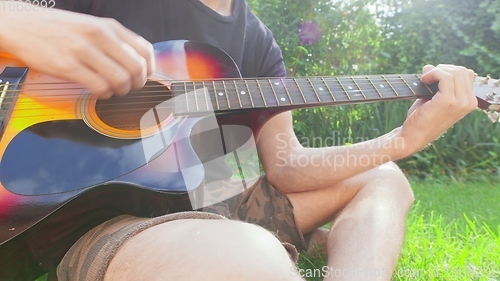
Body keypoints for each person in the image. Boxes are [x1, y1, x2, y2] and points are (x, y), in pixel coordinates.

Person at [0, 1, 478, 280]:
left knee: (383, 177)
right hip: (100, 216)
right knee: (247, 258)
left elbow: (286, 165)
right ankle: (285, 244)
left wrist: (402, 139)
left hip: (220, 197)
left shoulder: (257, 40)